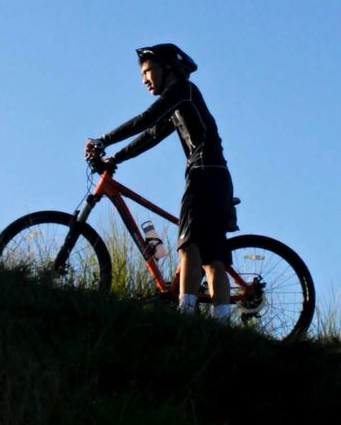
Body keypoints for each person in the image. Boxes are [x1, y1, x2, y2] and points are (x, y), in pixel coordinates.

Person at [85, 44, 237, 321]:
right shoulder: (182, 102)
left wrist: (102, 140)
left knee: (188, 246)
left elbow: (146, 119)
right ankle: (222, 324)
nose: (144, 79)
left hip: (202, 174)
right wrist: (115, 158)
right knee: (213, 258)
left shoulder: (183, 91)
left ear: (168, 68)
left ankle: (185, 316)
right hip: (219, 177)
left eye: (147, 71)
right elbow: (152, 134)